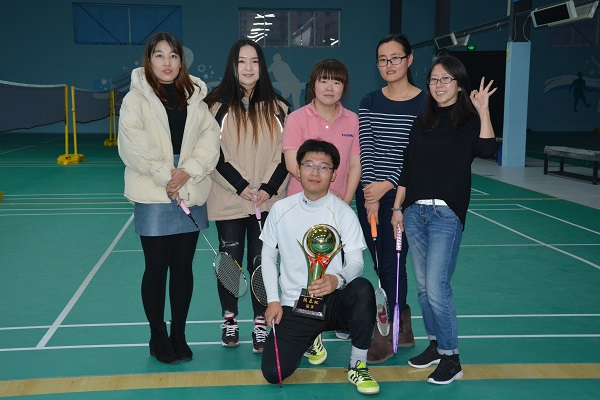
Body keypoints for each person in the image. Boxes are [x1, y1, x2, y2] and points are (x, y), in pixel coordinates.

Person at [391, 55, 497, 385]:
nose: (438, 85)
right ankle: (436, 345)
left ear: (459, 84)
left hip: (445, 216)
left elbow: (487, 150)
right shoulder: (421, 122)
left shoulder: (469, 121)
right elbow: (408, 167)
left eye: (446, 79)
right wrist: (397, 208)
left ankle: (452, 358)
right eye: (434, 79)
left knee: (437, 288)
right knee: (424, 290)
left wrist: (483, 110)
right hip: (414, 213)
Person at [118, 32, 220, 364]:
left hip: (190, 186)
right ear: (149, 60)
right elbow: (134, 145)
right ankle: (157, 336)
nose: (167, 62)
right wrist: (167, 176)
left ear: (181, 61)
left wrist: (187, 171)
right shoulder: (134, 99)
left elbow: (210, 139)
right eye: (159, 55)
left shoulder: (196, 97)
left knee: (182, 268)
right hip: (153, 190)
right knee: (156, 267)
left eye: (173, 56)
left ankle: (179, 334)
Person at [260, 139, 379, 395]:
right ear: (298, 169)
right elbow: (268, 255)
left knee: (362, 289)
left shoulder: (343, 213)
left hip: (334, 300)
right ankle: (311, 338)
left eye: (324, 167)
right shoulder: (281, 209)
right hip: (296, 304)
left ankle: (358, 364)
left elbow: (357, 263)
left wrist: (338, 279)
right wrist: (273, 301)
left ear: (334, 174)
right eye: (309, 165)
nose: (315, 172)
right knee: (273, 373)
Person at [204, 40, 290, 354]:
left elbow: (286, 154)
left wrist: (268, 188)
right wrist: (240, 186)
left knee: (261, 262)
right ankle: (229, 319)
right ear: (232, 65)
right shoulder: (214, 105)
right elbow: (211, 154)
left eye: (254, 61)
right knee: (229, 260)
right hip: (229, 198)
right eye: (242, 61)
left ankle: (260, 323)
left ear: (262, 66)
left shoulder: (279, 107)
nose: (249, 67)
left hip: (266, 200)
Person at [282, 58, 361, 360]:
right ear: (313, 84)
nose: (330, 87)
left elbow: (354, 164)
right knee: (304, 272)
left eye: (336, 81)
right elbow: (292, 163)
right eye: (324, 80)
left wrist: (343, 202)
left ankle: (333, 320)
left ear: (344, 87)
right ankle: (309, 331)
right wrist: (322, 193)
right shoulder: (297, 118)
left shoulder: (352, 120)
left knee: (335, 270)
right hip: (302, 207)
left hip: (337, 208)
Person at [357, 33, 425, 363]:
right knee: (381, 263)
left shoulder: (425, 104)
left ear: (409, 59)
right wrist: (371, 192)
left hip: (403, 196)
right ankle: (404, 326)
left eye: (396, 58)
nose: (389, 65)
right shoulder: (369, 100)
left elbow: (419, 153)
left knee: (392, 263)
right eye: (383, 60)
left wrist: (387, 184)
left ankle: (389, 331)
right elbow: (366, 147)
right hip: (370, 194)